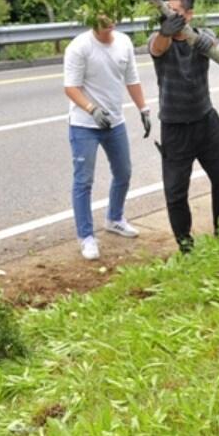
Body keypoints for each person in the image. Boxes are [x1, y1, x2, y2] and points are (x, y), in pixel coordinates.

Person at [149, 0, 219, 253]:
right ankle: (185, 245)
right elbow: (156, 47)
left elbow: (212, 42)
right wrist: (165, 32)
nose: (172, 16)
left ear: (189, 14)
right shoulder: (159, 39)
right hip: (175, 128)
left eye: (177, 12)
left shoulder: (200, 36)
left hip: (205, 122)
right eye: (168, 11)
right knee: (176, 191)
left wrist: (207, 42)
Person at [62, 15, 152, 260]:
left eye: (113, 15)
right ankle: (86, 236)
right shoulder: (79, 47)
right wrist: (91, 109)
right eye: (102, 17)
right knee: (84, 180)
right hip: (85, 125)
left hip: (114, 122)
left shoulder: (124, 42)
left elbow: (131, 79)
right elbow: (71, 87)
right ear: (91, 19)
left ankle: (114, 217)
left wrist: (143, 109)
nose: (109, 21)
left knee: (123, 172)